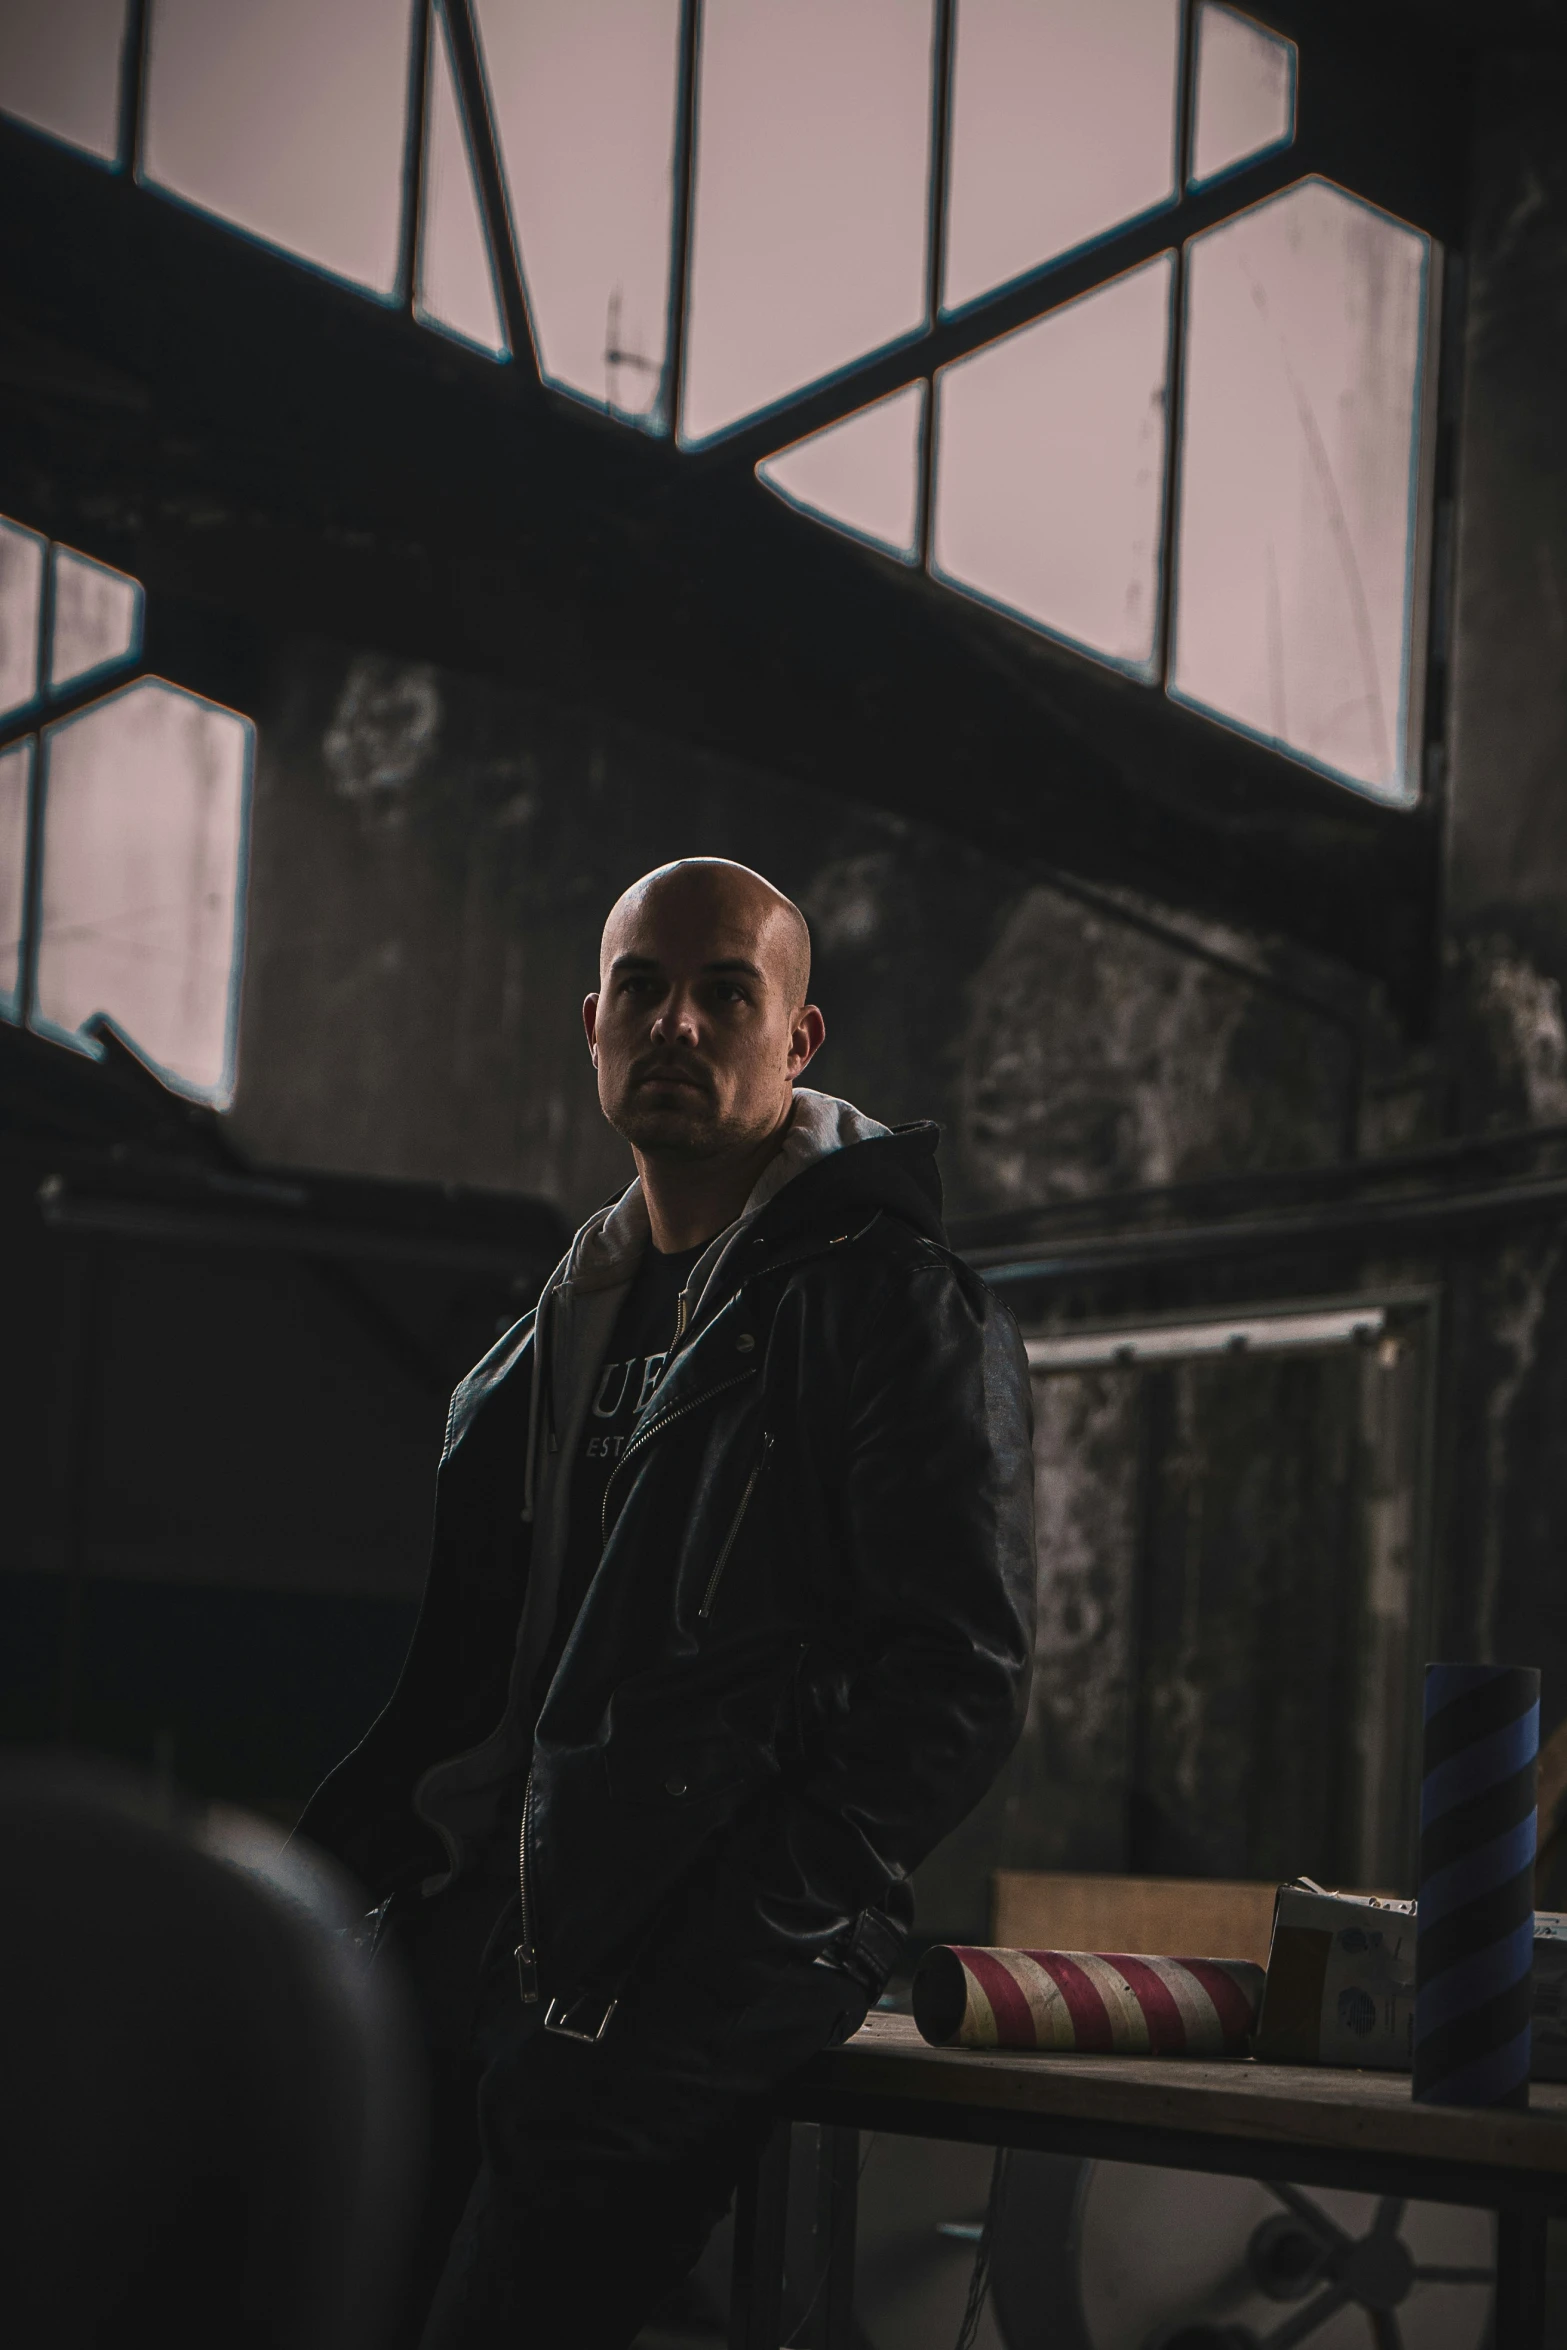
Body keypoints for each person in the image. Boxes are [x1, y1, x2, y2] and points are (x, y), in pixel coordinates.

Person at [297, 858, 1037, 2348]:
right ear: (591, 1023)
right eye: (641, 989)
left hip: (676, 1985)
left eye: (722, 993)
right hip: (468, 1956)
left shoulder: (886, 1300)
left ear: (798, 1038)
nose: (676, 1023)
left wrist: (714, 1970)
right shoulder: (532, 1353)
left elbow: (953, 1678)